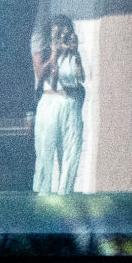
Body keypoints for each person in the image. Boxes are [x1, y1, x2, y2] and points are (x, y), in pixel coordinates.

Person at [29, 13, 85, 196]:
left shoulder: (72, 53)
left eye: (66, 34)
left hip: (70, 103)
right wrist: (55, 52)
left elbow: (80, 78)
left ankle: (65, 192)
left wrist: (74, 52)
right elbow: (42, 75)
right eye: (58, 35)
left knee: (71, 151)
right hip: (50, 103)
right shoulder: (41, 51)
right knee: (46, 149)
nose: (63, 38)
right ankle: (43, 193)